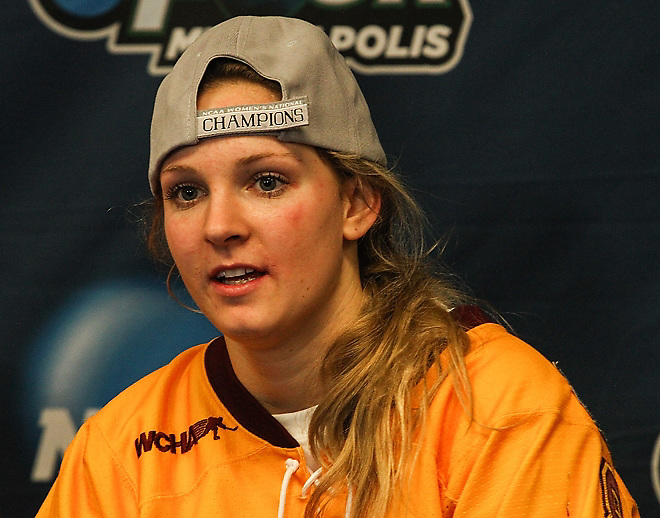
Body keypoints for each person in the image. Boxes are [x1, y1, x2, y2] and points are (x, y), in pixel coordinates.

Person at [37, 15, 640, 518]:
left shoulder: (495, 409)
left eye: (266, 182)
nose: (219, 226)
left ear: (356, 203)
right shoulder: (120, 450)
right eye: (186, 192)